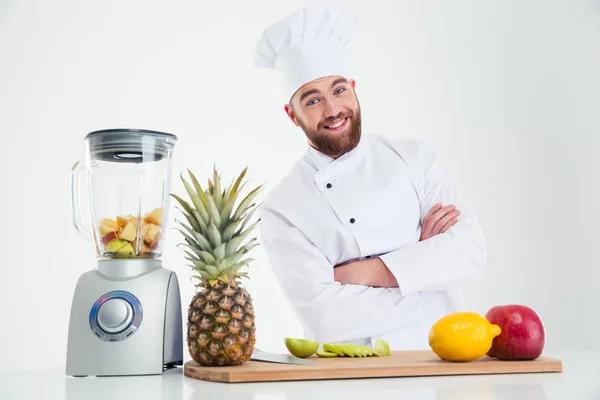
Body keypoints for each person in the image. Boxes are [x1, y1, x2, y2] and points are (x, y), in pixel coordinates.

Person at [253, 6, 487, 350]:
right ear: (292, 115)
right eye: (313, 100)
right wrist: (421, 265)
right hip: (349, 377)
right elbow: (326, 320)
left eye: (338, 90)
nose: (333, 110)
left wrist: (363, 273)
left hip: (439, 359)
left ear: (354, 88)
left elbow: (470, 254)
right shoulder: (282, 208)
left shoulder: (416, 157)